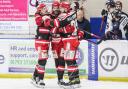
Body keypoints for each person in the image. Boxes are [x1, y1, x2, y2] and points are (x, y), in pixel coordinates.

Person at [53, 1, 84, 88]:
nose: (60, 9)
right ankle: (76, 80)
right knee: (73, 60)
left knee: (69, 60)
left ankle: (72, 81)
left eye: (61, 7)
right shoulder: (72, 14)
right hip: (73, 39)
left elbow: (58, 24)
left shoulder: (63, 15)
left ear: (65, 8)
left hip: (69, 40)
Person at [32, 3, 51, 88]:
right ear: (39, 10)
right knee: (42, 60)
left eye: (45, 8)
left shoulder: (48, 15)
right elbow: (39, 22)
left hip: (46, 42)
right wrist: (44, 18)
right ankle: (40, 79)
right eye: (43, 9)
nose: (45, 9)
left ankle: (34, 76)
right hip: (40, 42)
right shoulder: (37, 15)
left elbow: (49, 25)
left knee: (42, 60)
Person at [50, 1, 67, 86]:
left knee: (62, 60)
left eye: (57, 7)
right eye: (54, 7)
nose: (55, 9)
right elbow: (50, 28)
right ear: (52, 8)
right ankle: (59, 79)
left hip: (61, 42)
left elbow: (62, 27)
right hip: (53, 43)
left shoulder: (62, 15)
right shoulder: (50, 16)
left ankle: (61, 79)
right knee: (56, 61)